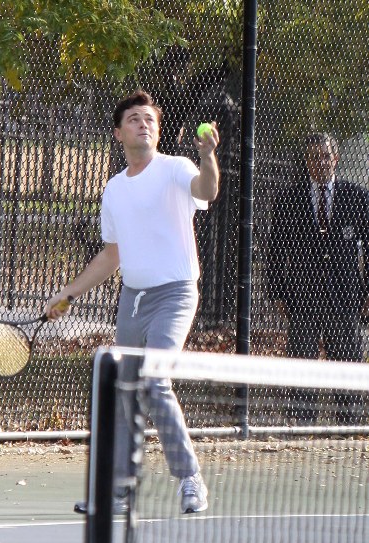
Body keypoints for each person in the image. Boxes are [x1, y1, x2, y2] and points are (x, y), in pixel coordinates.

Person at [46, 90, 220, 514]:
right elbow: (111, 256)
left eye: (150, 119)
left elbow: (207, 189)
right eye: (134, 119)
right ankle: (119, 492)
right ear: (118, 133)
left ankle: (190, 478)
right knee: (125, 391)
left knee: (155, 381)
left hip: (176, 293)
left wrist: (209, 156)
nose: (144, 124)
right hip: (132, 300)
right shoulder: (114, 190)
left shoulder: (176, 168)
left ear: (157, 132)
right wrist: (68, 293)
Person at [267, 133, 369, 424]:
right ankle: (301, 426)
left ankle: (348, 427)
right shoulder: (288, 199)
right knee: (302, 365)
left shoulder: (358, 197)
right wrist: (277, 292)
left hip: (345, 296)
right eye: (314, 157)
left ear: (335, 159)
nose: (320, 162)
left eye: (325, 156)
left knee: (347, 362)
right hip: (302, 298)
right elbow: (276, 249)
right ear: (307, 161)